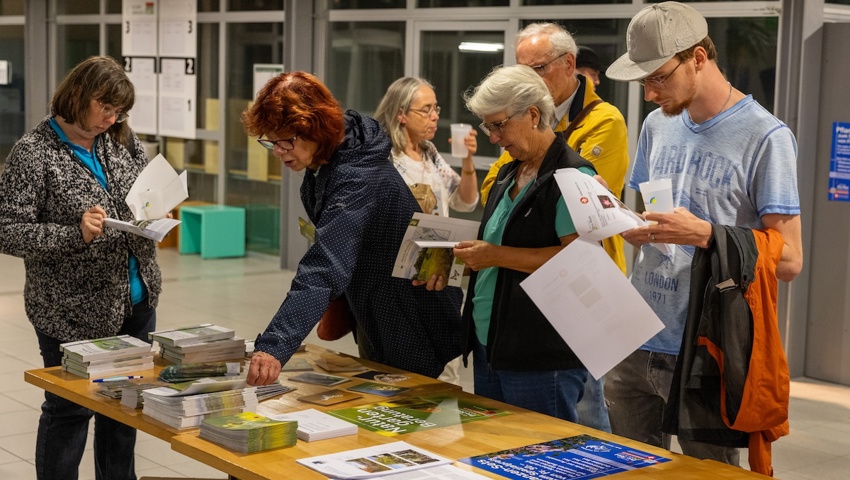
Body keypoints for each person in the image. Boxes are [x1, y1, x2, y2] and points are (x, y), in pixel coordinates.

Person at [603, 1, 803, 465]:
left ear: (697, 57)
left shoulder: (766, 137)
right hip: (635, 336)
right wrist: (616, 215)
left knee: (707, 475)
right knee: (629, 471)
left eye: (658, 78)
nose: (650, 94)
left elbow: (790, 260)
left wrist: (709, 234)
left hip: (705, 346)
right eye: (643, 81)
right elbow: (654, 215)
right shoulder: (657, 126)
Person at [242, 72, 464, 386]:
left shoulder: (357, 175)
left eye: (286, 141)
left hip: (413, 322)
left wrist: (275, 345)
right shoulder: (329, 160)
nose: (278, 151)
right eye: (271, 142)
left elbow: (326, 265)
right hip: (378, 309)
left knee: (418, 423)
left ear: (317, 129)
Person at [0, 56, 163, 480]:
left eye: (119, 112)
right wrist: (76, 233)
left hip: (135, 300)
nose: (111, 119)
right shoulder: (33, 153)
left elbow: (143, 193)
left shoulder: (121, 139)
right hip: (70, 311)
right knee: (70, 411)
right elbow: (8, 231)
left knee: (125, 408)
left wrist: (156, 212)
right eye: (104, 108)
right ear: (77, 95)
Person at [480, 22, 629, 433]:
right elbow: (490, 188)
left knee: (578, 427)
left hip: (565, 318)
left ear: (569, 64)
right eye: (522, 69)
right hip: (504, 330)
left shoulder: (603, 122)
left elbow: (588, 204)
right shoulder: (518, 154)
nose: (531, 78)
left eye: (539, 68)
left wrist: (495, 254)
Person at [454, 64, 597, 423]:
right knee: (493, 455)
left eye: (499, 124)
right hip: (491, 345)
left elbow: (579, 258)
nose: (493, 137)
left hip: (540, 353)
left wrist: (495, 256)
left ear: (533, 114)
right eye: (488, 126)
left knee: (543, 459)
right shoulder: (507, 172)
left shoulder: (571, 176)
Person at [373, 77, 479, 385]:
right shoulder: (384, 158)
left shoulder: (430, 152)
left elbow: (466, 200)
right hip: (398, 279)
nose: (435, 116)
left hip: (439, 273)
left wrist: (468, 161)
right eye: (426, 109)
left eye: (436, 108)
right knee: (400, 371)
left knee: (444, 367)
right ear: (401, 114)